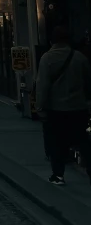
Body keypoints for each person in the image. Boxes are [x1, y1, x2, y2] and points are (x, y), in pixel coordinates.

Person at [36, 24, 91, 185]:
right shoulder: (80, 57)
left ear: (52, 40)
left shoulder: (47, 58)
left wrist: (40, 107)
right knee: (83, 141)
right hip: (78, 107)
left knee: (56, 143)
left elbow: (42, 86)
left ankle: (58, 175)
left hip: (56, 109)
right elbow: (88, 83)